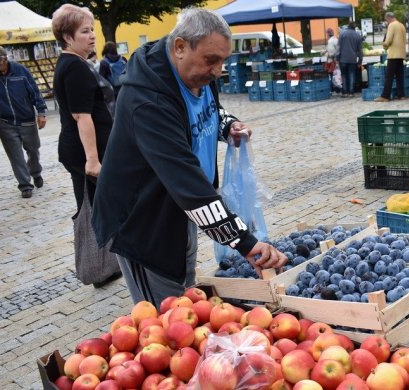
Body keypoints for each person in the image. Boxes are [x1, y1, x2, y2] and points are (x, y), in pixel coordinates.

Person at [91, 8, 288, 306]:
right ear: (180, 47)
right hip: (143, 222)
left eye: (223, 61)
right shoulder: (148, 101)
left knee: (184, 287)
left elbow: (205, 111)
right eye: (212, 60)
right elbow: (186, 181)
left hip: (182, 209)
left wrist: (227, 125)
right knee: (165, 314)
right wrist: (246, 243)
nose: (218, 70)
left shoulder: (197, 74)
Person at [52, 4, 115, 213]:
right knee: (96, 212)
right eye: (85, 31)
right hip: (85, 153)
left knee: (97, 210)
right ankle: (100, 246)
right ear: (68, 37)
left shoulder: (75, 62)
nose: (93, 36)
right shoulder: (74, 66)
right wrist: (93, 160)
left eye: (92, 29)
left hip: (85, 148)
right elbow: (82, 116)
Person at [0, 46, 47, 199]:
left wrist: (41, 113)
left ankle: (36, 172)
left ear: (4, 59)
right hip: (5, 123)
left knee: (33, 150)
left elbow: (34, 92)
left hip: (27, 120)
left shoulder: (21, 71)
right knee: (15, 156)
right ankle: (25, 185)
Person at [375, 12, 407, 102]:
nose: (387, 22)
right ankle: (401, 95)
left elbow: (388, 40)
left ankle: (385, 96)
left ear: (388, 18)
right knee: (399, 76)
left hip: (393, 54)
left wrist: (384, 45)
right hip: (401, 54)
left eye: (386, 20)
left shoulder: (392, 25)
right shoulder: (402, 25)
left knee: (389, 76)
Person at [337, 21, 363, 97]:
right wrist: (360, 61)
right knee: (351, 74)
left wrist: (337, 58)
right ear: (354, 27)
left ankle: (345, 92)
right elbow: (360, 50)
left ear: (348, 26)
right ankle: (351, 92)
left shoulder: (342, 34)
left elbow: (338, 47)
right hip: (353, 59)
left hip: (343, 59)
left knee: (344, 75)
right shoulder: (358, 35)